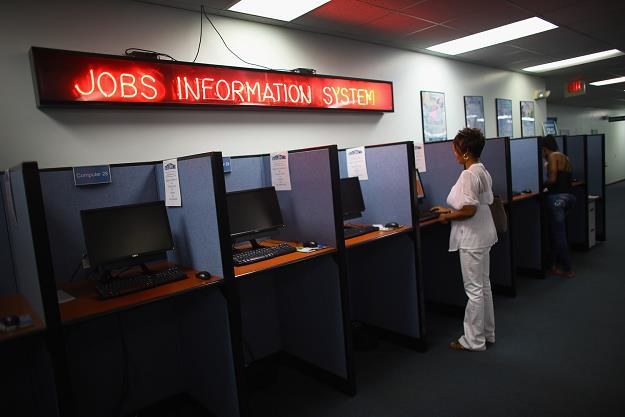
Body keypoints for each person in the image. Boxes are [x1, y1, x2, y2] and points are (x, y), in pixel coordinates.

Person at [431, 128, 498, 352]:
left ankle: (473, 341)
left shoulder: (468, 174)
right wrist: (449, 210)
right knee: (484, 287)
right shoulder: (482, 170)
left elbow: (469, 209)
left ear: (466, 151)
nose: (454, 154)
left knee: (474, 291)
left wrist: (447, 216)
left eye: (456, 149)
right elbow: (476, 203)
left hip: (472, 238)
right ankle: (487, 334)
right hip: (484, 234)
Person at [541, 135, 576, 277]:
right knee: (557, 232)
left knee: (558, 235)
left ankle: (568, 269)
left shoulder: (552, 156)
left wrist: (540, 184)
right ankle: (554, 264)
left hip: (557, 199)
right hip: (569, 198)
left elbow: (553, 178)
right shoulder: (565, 157)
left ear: (544, 148)